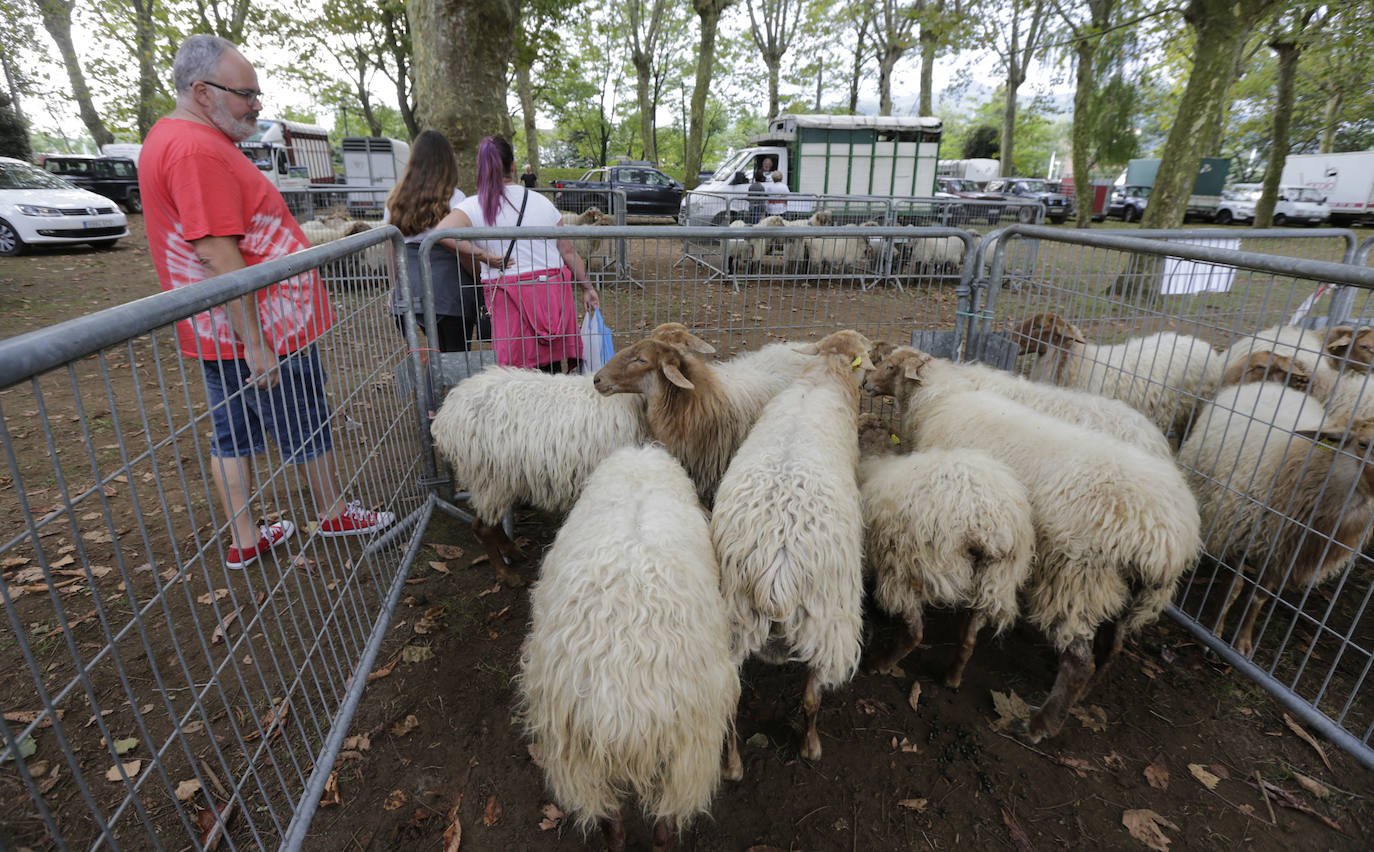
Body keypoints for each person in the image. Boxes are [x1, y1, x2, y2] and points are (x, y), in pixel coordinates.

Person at [139, 35, 394, 570]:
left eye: (257, 93)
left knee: (234, 432)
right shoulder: (194, 149)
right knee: (303, 420)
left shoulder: (181, 140)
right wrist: (255, 341)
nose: (257, 104)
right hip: (264, 330)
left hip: (228, 331)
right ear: (203, 92)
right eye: (246, 93)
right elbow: (214, 251)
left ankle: (246, 536)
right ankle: (330, 511)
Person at [435, 135, 598, 373]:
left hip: (508, 297)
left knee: (515, 369)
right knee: (549, 362)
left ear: (482, 169)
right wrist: (587, 287)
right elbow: (568, 251)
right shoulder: (542, 203)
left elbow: (441, 233)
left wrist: (483, 256)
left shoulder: (474, 205)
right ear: (513, 166)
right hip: (549, 294)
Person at [382, 129, 487, 351]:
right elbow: (463, 249)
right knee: (454, 358)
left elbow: (391, 251)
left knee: (429, 353)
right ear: (448, 162)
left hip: (409, 290)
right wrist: (480, 281)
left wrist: (394, 289)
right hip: (449, 292)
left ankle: (429, 385)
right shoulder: (456, 199)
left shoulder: (394, 200)